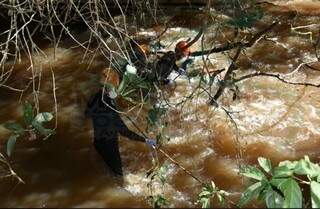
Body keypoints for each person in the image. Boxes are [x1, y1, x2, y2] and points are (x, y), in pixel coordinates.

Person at [85, 68, 156, 176]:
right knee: (118, 177)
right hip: (110, 148)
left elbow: (87, 114)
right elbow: (125, 133)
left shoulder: (94, 97)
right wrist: (146, 140)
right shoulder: (111, 109)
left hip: (98, 144)